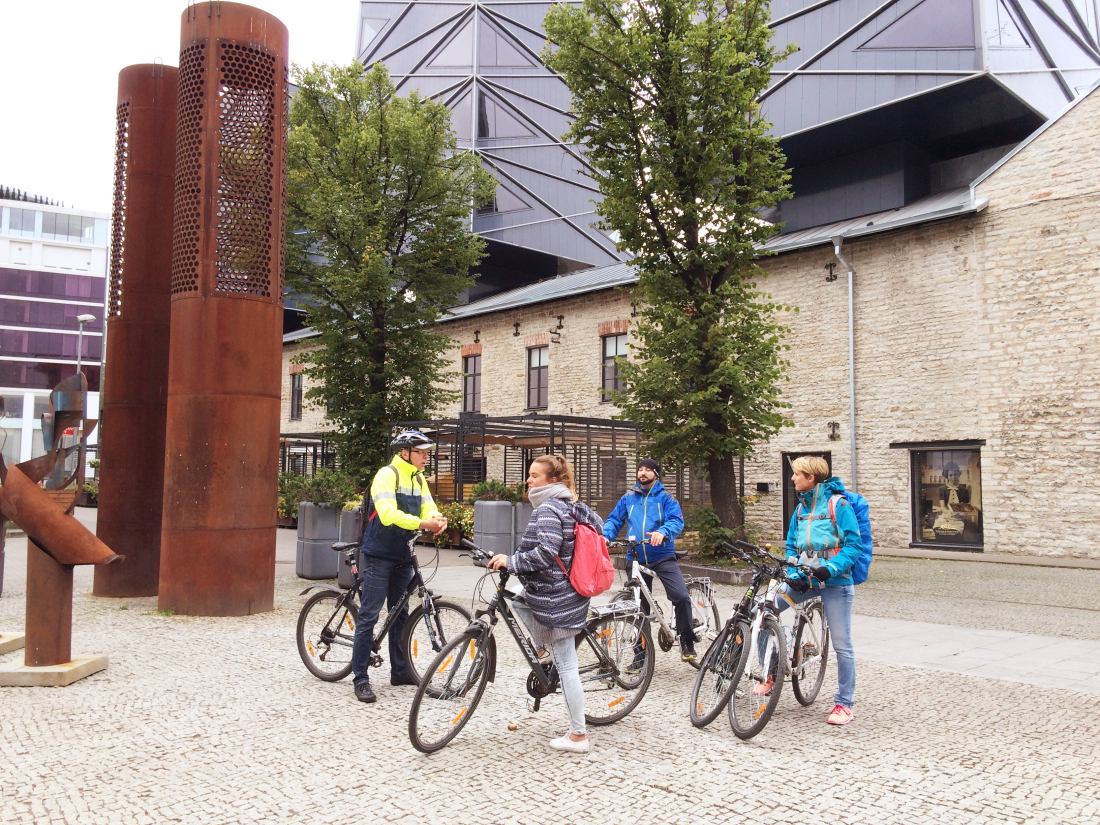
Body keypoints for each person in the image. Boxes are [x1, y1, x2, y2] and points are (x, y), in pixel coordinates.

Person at [488, 454, 603, 754]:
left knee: (567, 667)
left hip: (558, 599)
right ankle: (543, 648)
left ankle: (578, 735)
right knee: (517, 595)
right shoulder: (571, 505)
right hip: (566, 591)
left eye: (535, 476)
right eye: (529, 475)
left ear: (552, 481)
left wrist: (510, 561)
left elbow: (546, 553)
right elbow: (598, 526)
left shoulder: (550, 508)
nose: (529, 480)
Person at [350, 430, 447, 704]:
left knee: (400, 614)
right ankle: (361, 678)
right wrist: (423, 524)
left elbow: (428, 507)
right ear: (405, 452)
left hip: (403, 552)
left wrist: (438, 519)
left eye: (428, 452)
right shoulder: (387, 474)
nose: (427, 456)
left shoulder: (418, 479)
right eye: (422, 452)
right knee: (369, 614)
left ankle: (400, 671)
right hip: (379, 553)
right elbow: (388, 512)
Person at [772, 455, 861, 725]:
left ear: (811, 478)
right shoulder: (800, 510)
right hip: (805, 581)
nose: (792, 478)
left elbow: (853, 545)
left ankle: (844, 704)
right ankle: (769, 673)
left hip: (836, 583)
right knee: (765, 609)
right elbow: (791, 547)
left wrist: (831, 569)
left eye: (797, 474)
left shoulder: (838, 505)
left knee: (842, 644)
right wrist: (794, 573)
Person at [601, 458, 694, 660]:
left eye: (647, 470)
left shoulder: (666, 498)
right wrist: (606, 536)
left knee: (680, 596)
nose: (642, 472)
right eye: (640, 469)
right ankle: (640, 656)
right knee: (638, 609)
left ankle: (687, 641)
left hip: (662, 555)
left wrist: (663, 532)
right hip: (635, 557)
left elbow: (676, 520)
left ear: (656, 474)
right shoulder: (628, 497)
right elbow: (615, 519)